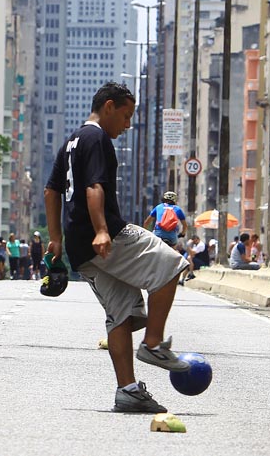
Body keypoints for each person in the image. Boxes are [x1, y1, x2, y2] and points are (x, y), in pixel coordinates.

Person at [44, 82, 190, 414]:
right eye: (125, 116)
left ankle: (128, 390)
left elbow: (51, 191)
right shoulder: (97, 139)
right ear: (108, 107)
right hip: (107, 236)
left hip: (81, 251)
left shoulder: (71, 141)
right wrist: (101, 230)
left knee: (121, 315)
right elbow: (95, 187)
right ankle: (153, 345)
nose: (126, 125)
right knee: (172, 265)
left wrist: (56, 238)